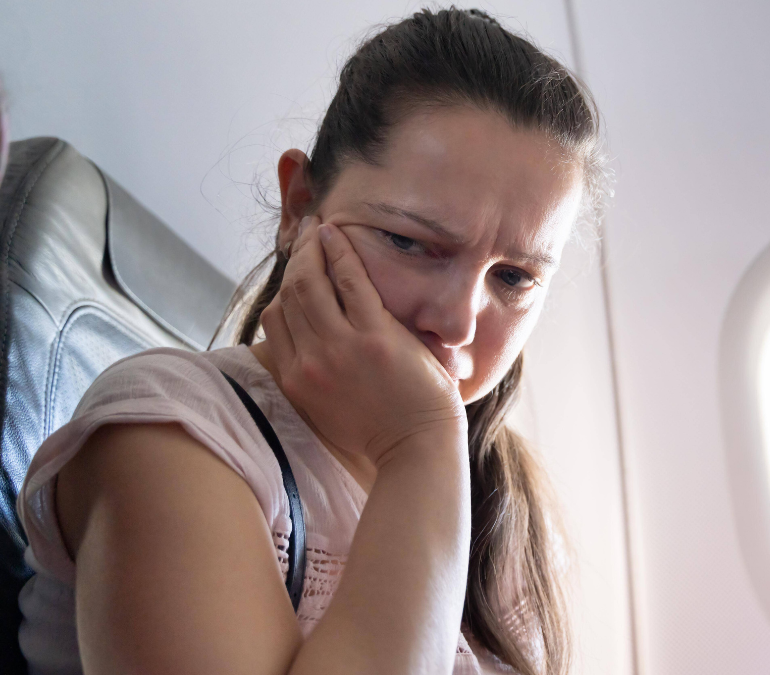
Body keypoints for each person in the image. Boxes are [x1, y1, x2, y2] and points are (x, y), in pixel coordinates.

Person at [15, 8, 606, 675]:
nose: (459, 320)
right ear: (298, 207)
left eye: (514, 276)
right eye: (410, 242)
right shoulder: (168, 432)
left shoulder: (504, 502)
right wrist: (420, 451)